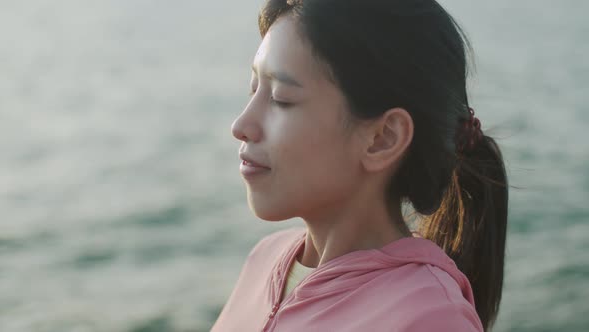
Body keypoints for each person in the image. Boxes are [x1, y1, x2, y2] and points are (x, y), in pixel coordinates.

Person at [212, 0, 508, 331]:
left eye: (281, 99)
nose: (241, 125)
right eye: (254, 88)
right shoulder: (265, 258)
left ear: (383, 138)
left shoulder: (431, 319)